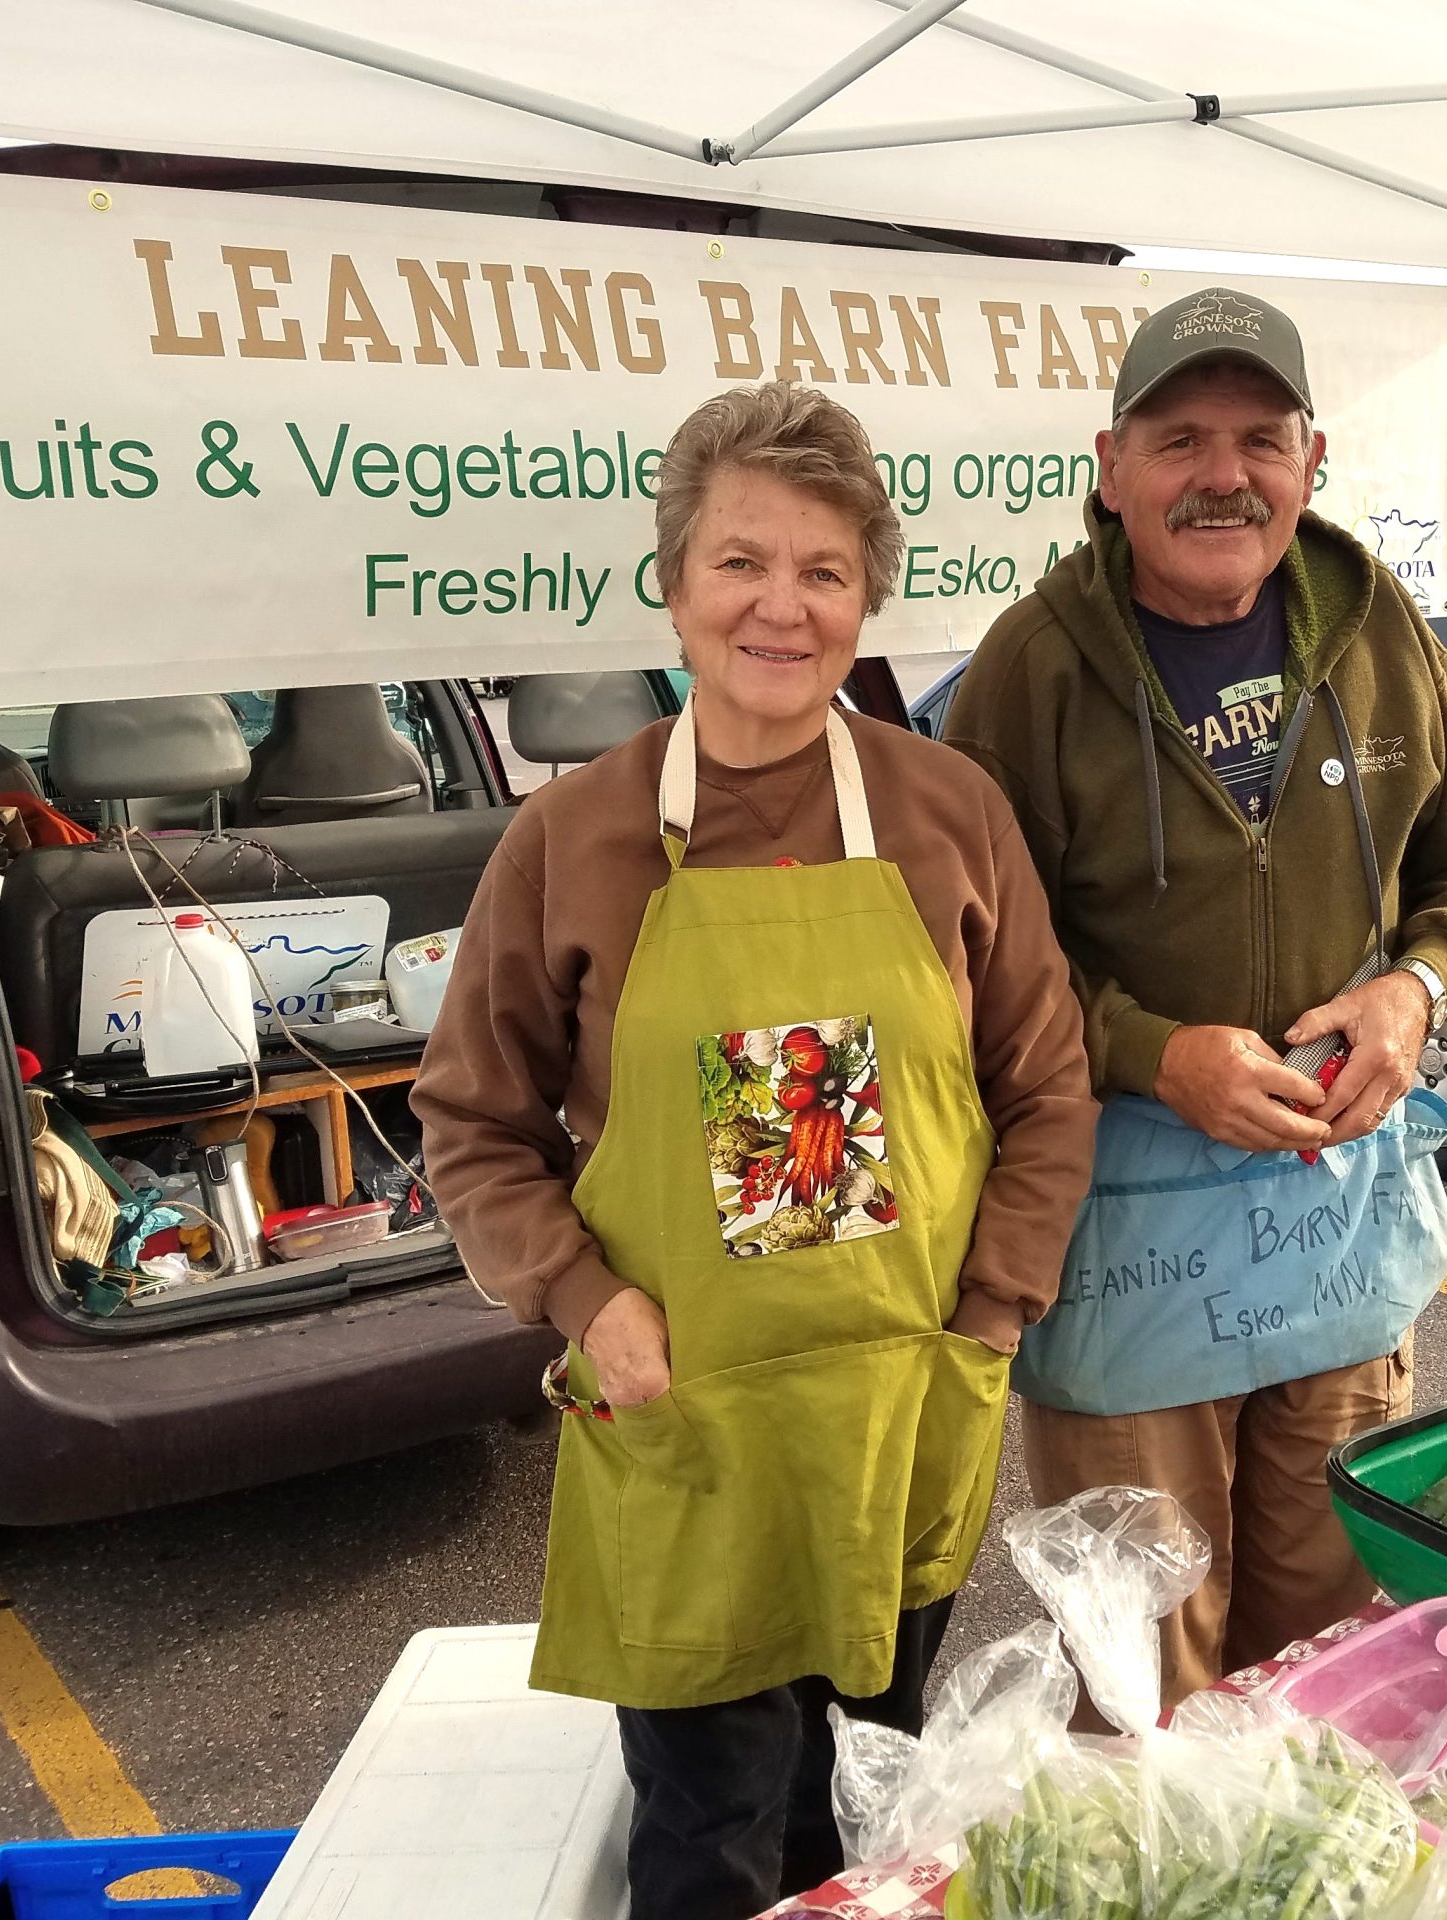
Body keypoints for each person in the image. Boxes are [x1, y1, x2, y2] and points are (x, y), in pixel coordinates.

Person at [412, 380, 1096, 1920]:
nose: (780, 608)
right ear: (674, 581)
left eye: (825, 573)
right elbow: (472, 1121)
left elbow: (1048, 1089)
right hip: (691, 1418)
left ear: (868, 600)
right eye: (742, 563)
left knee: (865, 1798)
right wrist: (588, 1303)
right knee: (705, 1829)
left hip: (895, 1411)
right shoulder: (572, 836)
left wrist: (989, 1312)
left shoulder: (947, 810)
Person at [945, 286, 1447, 1705]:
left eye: (1260, 439)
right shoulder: (1027, 673)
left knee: (1338, 1661)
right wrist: (1155, 1053)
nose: (1225, 474)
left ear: (1311, 460)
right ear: (1111, 465)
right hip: (1129, 1264)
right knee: (1145, 1682)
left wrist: (1417, 985)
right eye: (1182, 439)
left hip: (1342, 1250)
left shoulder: (1378, 625)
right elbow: (967, 963)